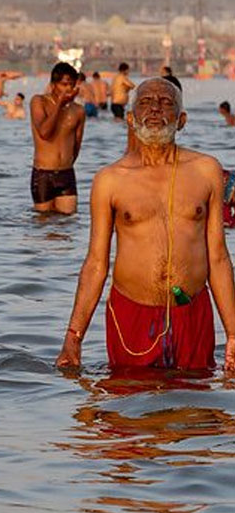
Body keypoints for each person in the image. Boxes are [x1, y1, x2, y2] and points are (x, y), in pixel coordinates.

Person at [56, 78, 235, 371]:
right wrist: (73, 338)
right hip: (131, 315)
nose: (155, 109)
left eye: (166, 103)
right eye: (145, 102)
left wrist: (233, 334)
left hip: (192, 313)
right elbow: (95, 264)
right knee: (129, 408)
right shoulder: (110, 180)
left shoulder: (206, 171)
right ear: (130, 118)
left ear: (181, 120)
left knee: (198, 409)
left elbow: (218, 258)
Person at [30, 62, 85, 214]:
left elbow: (77, 145)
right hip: (43, 174)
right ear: (53, 84)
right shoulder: (38, 102)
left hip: (66, 173)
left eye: (72, 85)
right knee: (43, 227)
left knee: (67, 226)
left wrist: (65, 163)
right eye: (64, 84)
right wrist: (60, 104)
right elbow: (44, 132)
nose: (68, 89)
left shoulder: (79, 111)